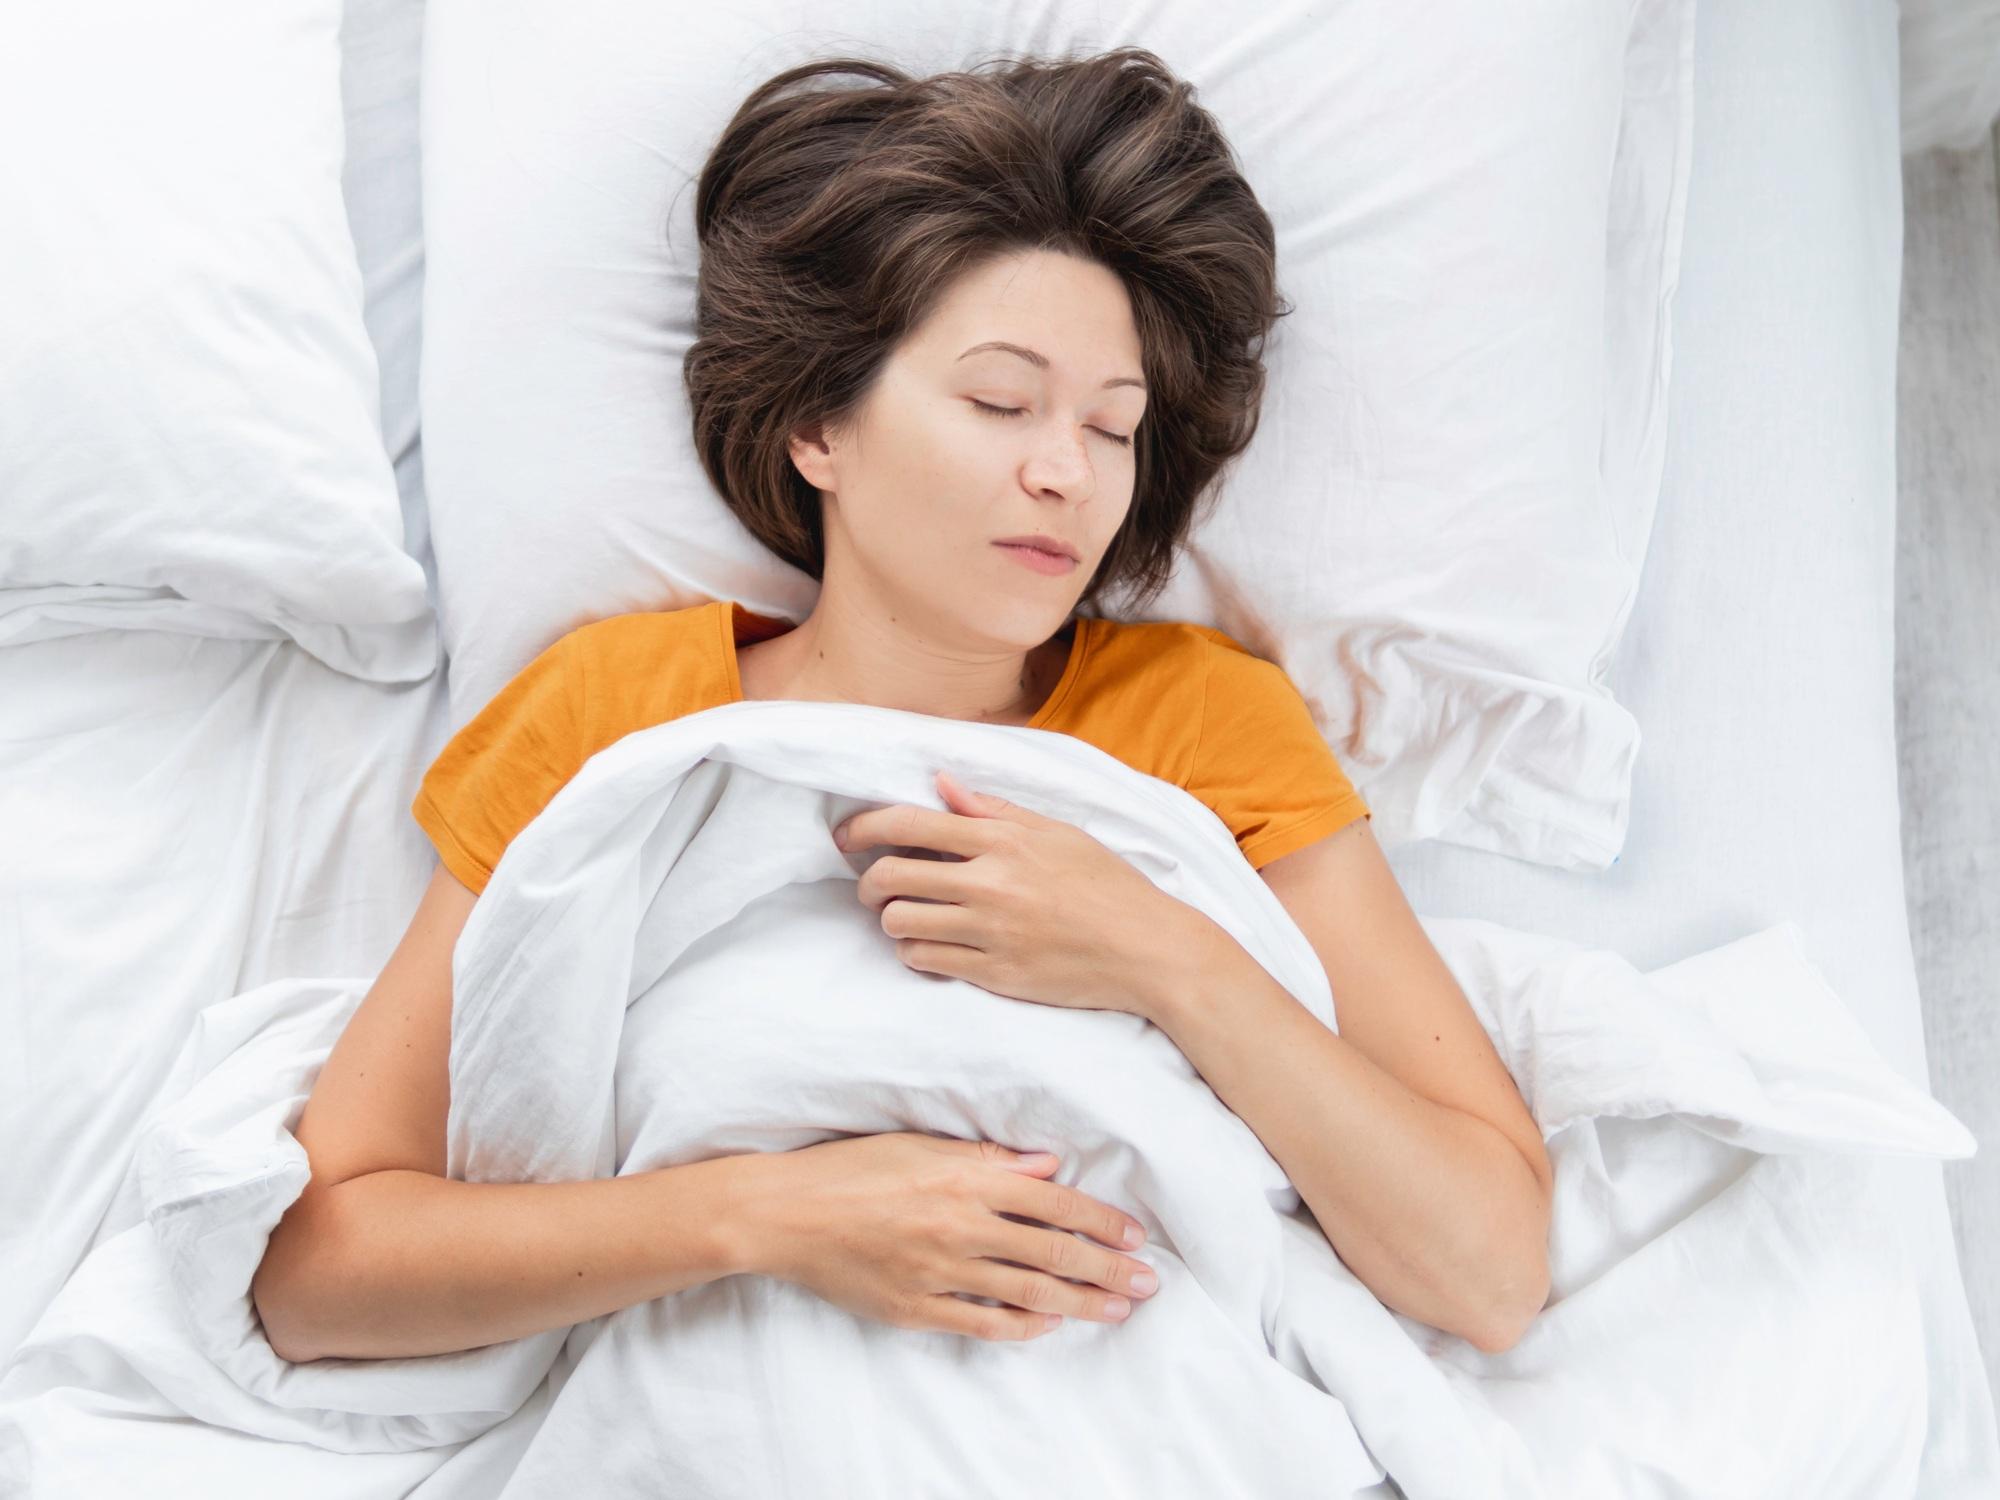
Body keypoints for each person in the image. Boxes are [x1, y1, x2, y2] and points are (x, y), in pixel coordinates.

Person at [253, 47, 1550, 1367]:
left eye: (1114, 428)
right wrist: (771, 1215)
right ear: (820, 427)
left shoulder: (1202, 720)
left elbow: (1492, 1270)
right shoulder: (617, 711)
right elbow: (319, 1269)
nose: (1067, 474)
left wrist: (1162, 955)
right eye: (1001, 402)